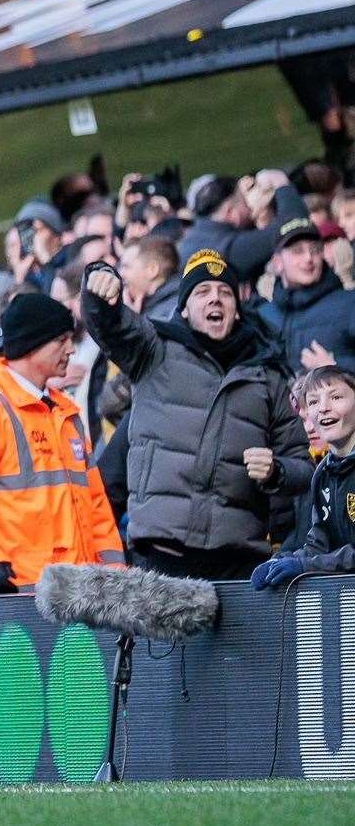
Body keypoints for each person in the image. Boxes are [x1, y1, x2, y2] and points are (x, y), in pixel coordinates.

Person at [87, 251, 310, 579]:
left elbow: (303, 468)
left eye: (224, 293)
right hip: (162, 555)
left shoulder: (268, 375)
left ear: (236, 310)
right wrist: (99, 281)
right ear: (184, 308)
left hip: (237, 559)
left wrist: (277, 472)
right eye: (202, 292)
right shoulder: (154, 349)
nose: (215, 300)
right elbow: (109, 325)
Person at [0, 293, 126, 594]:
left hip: (80, 597)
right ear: (33, 344)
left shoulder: (66, 413)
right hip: (14, 598)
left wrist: (116, 579)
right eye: (61, 339)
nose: (71, 349)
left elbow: (96, 508)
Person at [252, 365, 355, 590]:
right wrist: (283, 559)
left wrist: (305, 565)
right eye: (314, 402)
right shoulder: (322, 474)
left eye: (336, 397)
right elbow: (318, 544)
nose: (324, 408)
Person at [260, 216, 355, 373]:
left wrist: (335, 367)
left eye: (315, 250)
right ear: (277, 263)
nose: (309, 258)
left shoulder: (350, 303)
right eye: (298, 251)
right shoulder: (264, 315)